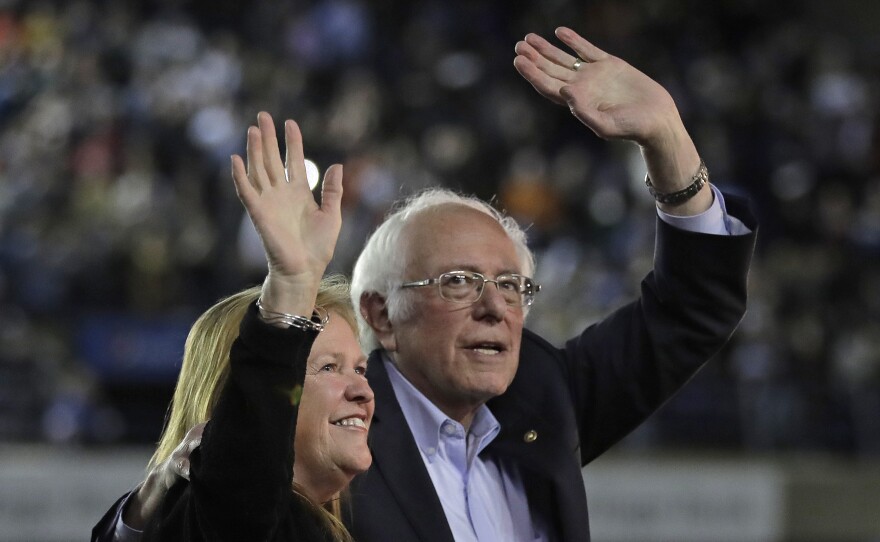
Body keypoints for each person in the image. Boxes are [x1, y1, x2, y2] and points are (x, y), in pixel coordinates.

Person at [95, 27, 757, 541]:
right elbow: (232, 496)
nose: (497, 306)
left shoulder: (542, 400)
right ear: (380, 314)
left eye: (512, 285)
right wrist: (291, 285)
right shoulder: (331, 435)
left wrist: (669, 141)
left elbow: (689, 310)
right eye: (461, 281)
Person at [93, 112, 373, 541]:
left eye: (359, 369)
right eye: (328, 368)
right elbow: (245, 471)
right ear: (233, 399)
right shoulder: (241, 518)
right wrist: (292, 287)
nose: (363, 392)